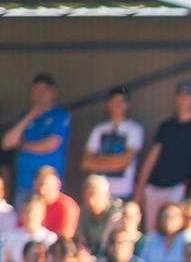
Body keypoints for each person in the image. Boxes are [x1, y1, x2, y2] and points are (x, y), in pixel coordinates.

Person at [135, 80, 191, 224]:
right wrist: (140, 189)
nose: (183, 99)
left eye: (187, 95)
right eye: (180, 95)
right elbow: (151, 159)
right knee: (153, 231)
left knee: (175, 229)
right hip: (154, 186)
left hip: (178, 188)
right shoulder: (166, 126)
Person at [3, 73, 70, 201]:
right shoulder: (25, 116)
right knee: (23, 220)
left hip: (48, 186)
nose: (39, 95)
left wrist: (22, 146)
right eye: (36, 91)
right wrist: (30, 116)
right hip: (24, 183)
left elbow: (51, 144)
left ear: (53, 92)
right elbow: (7, 142)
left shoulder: (59, 115)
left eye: (43, 91)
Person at [81, 86, 145, 202]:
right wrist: (115, 163)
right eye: (115, 101)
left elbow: (125, 162)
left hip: (123, 192)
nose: (118, 105)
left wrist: (100, 158)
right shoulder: (99, 130)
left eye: (122, 101)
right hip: (98, 193)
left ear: (128, 105)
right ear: (108, 104)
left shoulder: (134, 129)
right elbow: (86, 163)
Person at [78, 175, 120, 257]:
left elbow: (108, 244)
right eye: (88, 195)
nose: (91, 201)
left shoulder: (115, 215)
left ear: (107, 195)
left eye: (95, 195)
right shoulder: (84, 212)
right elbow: (81, 239)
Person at [33, 167, 79, 241]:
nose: (42, 191)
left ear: (58, 185)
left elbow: (64, 239)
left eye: (47, 186)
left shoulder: (66, 207)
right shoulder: (31, 205)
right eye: (39, 185)